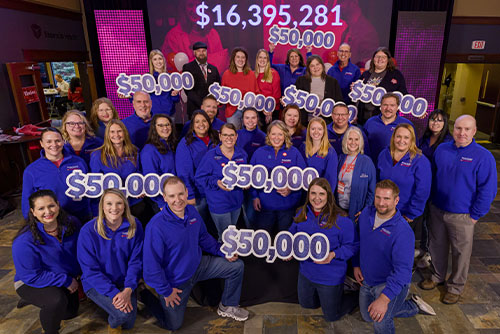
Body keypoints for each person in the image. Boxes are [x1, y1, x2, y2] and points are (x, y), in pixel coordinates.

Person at [142, 176, 248, 331]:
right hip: (176, 282)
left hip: (198, 266)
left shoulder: (191, 211)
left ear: (186, 192)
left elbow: (203, 237)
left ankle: (228, 305)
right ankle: (144, 295)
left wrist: (222, 251)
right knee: (174, 325)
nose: (177, 200)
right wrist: (166, 291)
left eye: (180, 194)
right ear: (164, 198)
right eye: (171, 196)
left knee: (236, 266)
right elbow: (151, 267)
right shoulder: (156, 226)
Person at [419, 115, 497, 304]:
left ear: (474, 131)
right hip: (437, 208)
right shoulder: (442, 149)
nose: (462, 133)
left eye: (467, 129)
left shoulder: (483, 156)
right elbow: (434, 176)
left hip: (463, 215)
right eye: (459, 128)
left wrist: (475, 215)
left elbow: (488, 189)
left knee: (461, 252)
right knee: (437, 246)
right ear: (453, 129)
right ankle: (438, 277)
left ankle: (455, 287)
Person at [353, 180, 436, 334]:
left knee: (380, 319)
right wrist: (356, 264)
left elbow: (403, 272)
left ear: (396, 200)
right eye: (378, 197)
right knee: (367, 316)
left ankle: (408, 306)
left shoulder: (402, 231)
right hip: (368, 280)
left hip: (389, 283)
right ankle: (413, 305)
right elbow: (359, 241)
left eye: (386, 199)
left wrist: (384, 300)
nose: (381, 203)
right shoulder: (365, 214)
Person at [13, 190, 81, 334]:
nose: (47, 212)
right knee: (56, 301)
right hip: (30, 281)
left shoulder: (72, 224)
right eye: (41, 208)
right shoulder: (24, 241)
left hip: (61, 276)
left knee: (70, 313)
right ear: (33, 212)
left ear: (58, 205)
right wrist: (66, 280)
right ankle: (51, 331)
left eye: (51, 206)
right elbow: (31, 275)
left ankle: (37, 300)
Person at [290, 178, 358, 322]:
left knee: (331, 316)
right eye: (313, 193)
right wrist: (289, 250)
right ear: (308, 195)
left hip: (330, 276)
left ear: (328, 196)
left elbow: (352, 246)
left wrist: (333, 254)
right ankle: (330, 298)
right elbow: (291, 236)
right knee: (307, 305)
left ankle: (356, 295)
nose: (317, 198)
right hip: (306, 272)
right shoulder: (301, 214)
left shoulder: (342, 220)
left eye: (321, 194)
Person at [77, 189, 144, 334]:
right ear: (102, 206)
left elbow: (136, 261)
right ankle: (112, 323)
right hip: (95, 284)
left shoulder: (134, 225)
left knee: (129, 324)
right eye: (109, 203)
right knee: (122, 315)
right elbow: (90, 271)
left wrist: (128, 289)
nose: (114, 208)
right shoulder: (88, 231)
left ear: (125, 205)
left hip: (124, 283)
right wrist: (114, 294)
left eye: (119, 203)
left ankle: (116, 305)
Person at [21, 127, 91, 222]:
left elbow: (90, 190)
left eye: (57, 140)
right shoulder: (31, 170)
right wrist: (31, 223)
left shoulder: (79, 162)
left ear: (63, 141)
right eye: (49, 141)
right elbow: (27, 201)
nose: (54, 145)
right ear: (41, 143)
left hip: (81, 216)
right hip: (52, 219)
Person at [251, 120, 306, 234]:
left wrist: (291, 188)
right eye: (273, 134)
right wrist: (254, 197)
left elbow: (303, 177)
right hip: (264, 205)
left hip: (287, 206)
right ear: (269, 135)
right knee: (263, 239)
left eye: (280, 134)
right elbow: (251, 176)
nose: (277, 137)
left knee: (285, 240)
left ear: (285, 135)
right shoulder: (259, 152)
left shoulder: (294, 152)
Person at [90, 120, 149, 224]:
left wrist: (141, 187)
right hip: (112, 207)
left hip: (134, 203)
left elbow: (140, 173)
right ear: (107, 134)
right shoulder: (97, 155)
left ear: (125, 133)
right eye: (112, 132)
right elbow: (95, 186)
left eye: (119, 131)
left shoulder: (135, 151)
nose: (116, 135)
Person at [196, 123, 248, 239]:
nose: (228, 138)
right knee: (225, 236)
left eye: (231, 135)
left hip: (236, 202)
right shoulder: (211, 156)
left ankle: (231, 255)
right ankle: (224, 257)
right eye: (225, 135)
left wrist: (247, 183)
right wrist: (217, 182)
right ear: (220, 136)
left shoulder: (242, 154)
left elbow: (245, 176)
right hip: (219, 203)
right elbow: (199, 177)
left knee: (233, 234)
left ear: (236, 137)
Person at [377, 124, 431, 233]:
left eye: (406, 137)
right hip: (382, 211)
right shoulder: (384, 154)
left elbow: (422, 191)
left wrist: (412, 213)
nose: (402, 140)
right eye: (398, 136)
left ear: (412, 140)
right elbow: (378, 182)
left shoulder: (420, 160)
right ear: (393, 137)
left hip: (404, 215)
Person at [416, 109, 453, 267]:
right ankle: (424, 249)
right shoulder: (424, 138)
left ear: (445, 123)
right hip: (424, 185)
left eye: (439, 120)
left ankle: (431, 255)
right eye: (432, 120)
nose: (435, 123)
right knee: (425, 221)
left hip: (438, 187)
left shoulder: (448, 142)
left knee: (434, 223)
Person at [175, 110, 219, 227]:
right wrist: (190, 195)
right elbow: (184, 173)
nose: (201, 124)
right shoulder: (185, 143)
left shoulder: (216, 139)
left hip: (217, 192)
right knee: (200, 228)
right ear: (192, 125)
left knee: (216, 228)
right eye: (197, 122)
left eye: (204, 121)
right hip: (199, 195)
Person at [357, 47, 407, 124]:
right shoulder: (366, 74)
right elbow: (358, 94)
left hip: (384, 120)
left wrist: (417, 111)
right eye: (377, 57)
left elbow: (404, 95)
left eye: (383, 57)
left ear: (388, 60)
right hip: (363, 118)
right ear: (373, 59)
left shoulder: (396, 74)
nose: (380, 59)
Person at [336, 126, 376, 222]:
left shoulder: (367, 162)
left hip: (356, 212)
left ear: (360, 142)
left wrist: (365, 211)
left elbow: (372, 191)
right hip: (339, 209)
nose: (353, 142)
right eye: (350, 139)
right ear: (346, 141)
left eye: (356, 139)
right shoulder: (340, 159)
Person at [363, 93, 414, 165]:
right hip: (371, 165)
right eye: (385, 105)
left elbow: (413, 148)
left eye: (392, 105)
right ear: (380, 106)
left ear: (397, 107)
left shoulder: (407, 125)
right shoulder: (370, 122)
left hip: (396, 167)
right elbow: (362, 145)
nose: (388, 108)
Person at [236, 107, 266, 227]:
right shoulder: (236, 135)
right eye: (247, 118)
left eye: (253, 117)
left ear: (257, 119)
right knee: (237, 215)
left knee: (250, 215)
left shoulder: (263, 137)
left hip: (254, 182)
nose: (250, 121)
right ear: (242, 120)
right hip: (238, 181)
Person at [140, 114, 176, 212]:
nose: (165, 128)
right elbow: (151, 181)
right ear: (154, 128)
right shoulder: (149, 150)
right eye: (160, 125)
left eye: (167, 125)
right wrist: (161, 203)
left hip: (174, 196)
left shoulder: (171, 145)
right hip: (162, 202)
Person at [295, 55, 343, 125]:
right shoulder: (301, 80)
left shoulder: (333, 82)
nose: (315, 68)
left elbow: (339, 102)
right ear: (308, 68)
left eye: (318, 64)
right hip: (305, 122)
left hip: (327, 122)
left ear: (322, 65)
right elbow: (295, 100)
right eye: (312, 66)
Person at [221, 47, 259, 129]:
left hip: (248, 111)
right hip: (232, 112)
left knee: (249, 136)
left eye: (243, 57)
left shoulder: (251, 74)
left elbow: (256, 93)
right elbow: (223, 96)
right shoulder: (226, 74)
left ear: (246, 59)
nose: (240, 59)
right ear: (233, 59)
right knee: (234, 136)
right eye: (238, 57)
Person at [182, 41, 221, 119]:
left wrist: (212, 103)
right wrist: (203, 104)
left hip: (211, 110)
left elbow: (218, 87)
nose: (201, 53)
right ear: (194, 53)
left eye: (203, 51)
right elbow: (188, 90)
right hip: (195, 108)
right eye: (199, 51)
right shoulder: (187, 67)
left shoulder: (213, 68)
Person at [301, 117, 338, 190]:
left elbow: (331, 180)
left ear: (324, 131)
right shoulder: (302, 147)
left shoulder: (330, 152)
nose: (316, 132)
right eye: (313, 129)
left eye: (319, 129)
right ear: (309, 131)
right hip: (303, 193)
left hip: (319, 195)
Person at [147, 49, 180, 116]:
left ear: (163, 60)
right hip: (153, 115)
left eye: (160, 59)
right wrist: (129, 96)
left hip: (169, 114)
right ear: (151, 62)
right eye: (155, 59)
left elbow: (176, 100)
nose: (158, 62)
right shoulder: (148, 78)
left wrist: (175, 94)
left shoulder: (171, 77)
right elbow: (142, 97)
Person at [255, 49, 281, 124]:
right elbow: (254, 93)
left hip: (273, 109)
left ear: (267, 60)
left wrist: (269, 110)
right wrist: (262, 108)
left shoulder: (274, 73)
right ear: (257, 59)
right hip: (258, 109)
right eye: (260, 57)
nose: (262, 60)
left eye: (265, 58)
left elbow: (277, 94)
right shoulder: (253, 75)